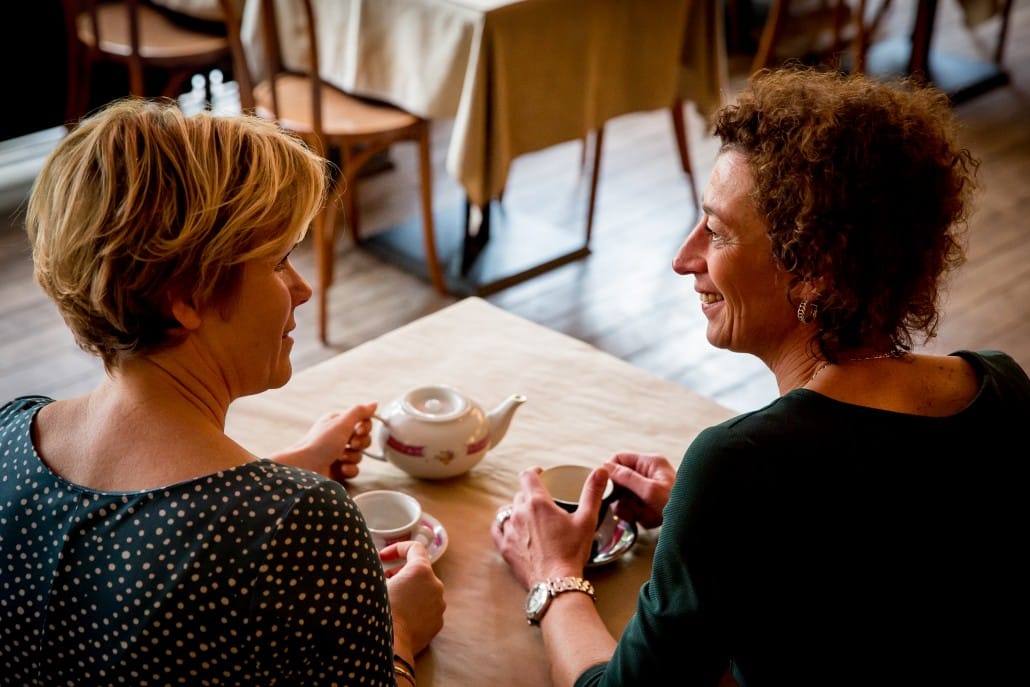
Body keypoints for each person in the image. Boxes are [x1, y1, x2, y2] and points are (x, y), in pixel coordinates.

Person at [491, 66, 1030, 686]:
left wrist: (555, 576)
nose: (682, 258)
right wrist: (709, 526)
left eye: (717, 233)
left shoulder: (742, 465)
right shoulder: (1002, 387)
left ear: (815, 270)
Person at [0, 97, 444, 686]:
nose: (303, 288)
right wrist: (401, 634)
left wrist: (289, 467)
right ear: (185, 296)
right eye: (280, 261)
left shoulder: (13, 432)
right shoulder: (299, 527)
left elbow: (131, 522)